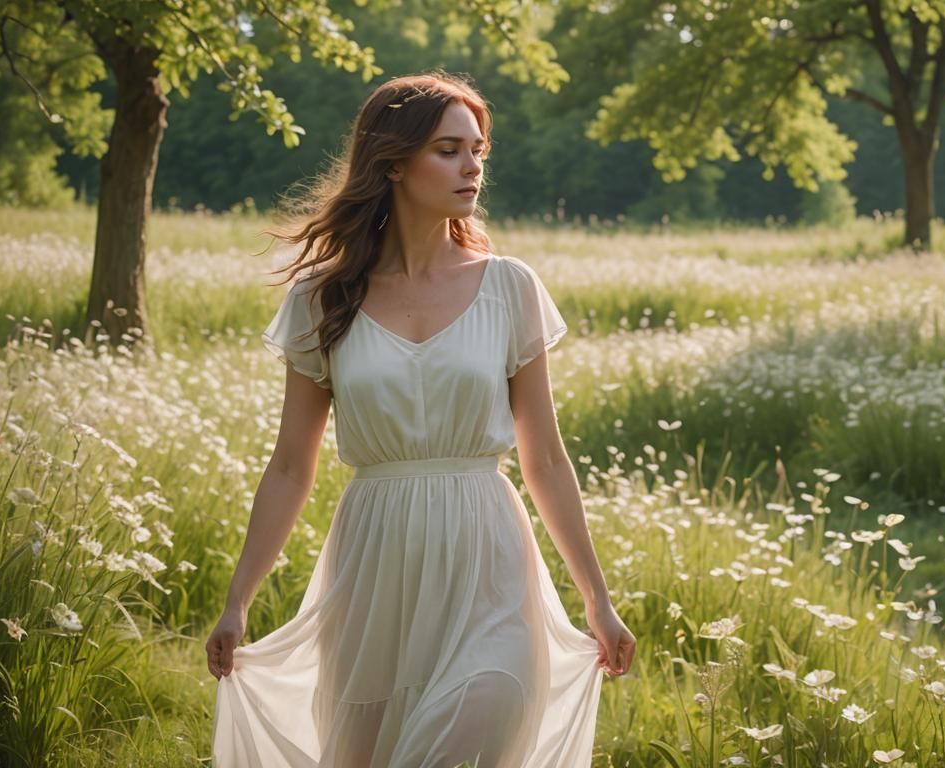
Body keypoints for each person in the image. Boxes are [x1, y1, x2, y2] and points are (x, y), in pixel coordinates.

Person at [206, 71, 635, 767]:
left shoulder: (509, 287)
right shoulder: (325, 299)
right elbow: (291, 465)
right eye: (448, 150)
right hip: (374, 566)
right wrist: (236, 601)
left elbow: (546, 459)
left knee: (480, 713)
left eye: (478, 150)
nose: (472, 167)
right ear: (394, 163)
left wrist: (598, 598)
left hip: (488, 558)